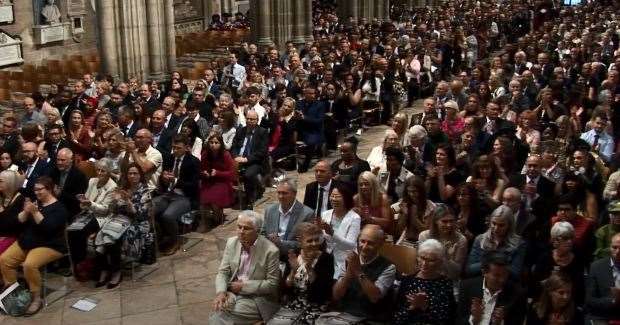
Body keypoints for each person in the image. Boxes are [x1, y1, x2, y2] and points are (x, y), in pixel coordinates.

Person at [0, 176, 68, 315]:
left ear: (49, 189)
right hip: (29, 241)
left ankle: (36, 298)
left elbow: (48, 228)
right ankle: (16, 294)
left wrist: (35, 212)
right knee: (4, 260)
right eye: (34, 189)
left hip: (50, 244)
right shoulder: (36, 203)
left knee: (29, 265)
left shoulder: (59, 208)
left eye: (39, 190)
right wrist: (26, 211)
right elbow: (18, 221)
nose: (36, 192)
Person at [210, 211, 280, 325]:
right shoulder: (232, 243)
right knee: (219, 307)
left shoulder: (271, 251)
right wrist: (221, 292)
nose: (241, 232)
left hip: (257, 298)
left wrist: (244, 286)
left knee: (221, 314)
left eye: (246, 228)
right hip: (233, 292)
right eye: (239, 227)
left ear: (257, 230)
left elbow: (272, 284)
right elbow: (223, 272)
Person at [317, 224, 395, 324]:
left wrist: (358, 271)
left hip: (369, 318)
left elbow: (374, 297)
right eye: (362, 241)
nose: (365, 246)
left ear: (380, 244)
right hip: (343, 314)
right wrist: (348, 275)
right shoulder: (350, 259)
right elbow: (336, 295)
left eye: (370, 243)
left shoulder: (389, 267)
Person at [267, 222, 335, 325]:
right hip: (294, 302)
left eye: (316, 240)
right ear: (300, 241)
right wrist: (293, 271)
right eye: (309, 241)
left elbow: (322, 293)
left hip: (316, 304)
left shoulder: (326, 258)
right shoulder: (293, 255)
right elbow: (286, 288)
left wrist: (309, 268)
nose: (314, 243)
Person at [152, 135, 200, 256]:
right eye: (173, 147)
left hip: (185, 196)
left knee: (168, 216)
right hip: (168, 193)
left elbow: (194, 185)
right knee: (150, 209)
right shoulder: (169, 158)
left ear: (187, 148)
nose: (175, 150)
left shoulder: (193, 162)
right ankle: (159, 237)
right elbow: (164, 177)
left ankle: (175, 241)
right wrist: (164, 178)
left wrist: (176, 180)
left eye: (178, 148)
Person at [68, 158, 118, 271]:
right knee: (71, 230)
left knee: (80, 231)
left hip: (102, 217)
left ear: (109, 172)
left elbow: (105, 209)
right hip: (88, 213)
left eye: (103, 171)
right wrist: (83, 202)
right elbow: (87, 198)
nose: (99, 173)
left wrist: (90, 203)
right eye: (98, 170)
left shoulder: (112, 187)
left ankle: (83, 262)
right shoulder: (92, 181)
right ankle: (77, 262)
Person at [393, 239, 456, 324]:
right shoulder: (407, 281)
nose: (424, 263)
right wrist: (412, 307)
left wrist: (425, 307)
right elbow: (397, 318)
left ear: (440, 262)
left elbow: (446, 319)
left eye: (431, 260)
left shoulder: (445, 283)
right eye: (422, 258)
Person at [457, 253, 527, 325]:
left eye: (505, 274)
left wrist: (499, 323)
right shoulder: (466, 286)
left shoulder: (517, 294)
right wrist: (473, 319)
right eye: (497, 275)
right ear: (484, 272)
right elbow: (458, 321)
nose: (502, 280)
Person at [466, 205, 527, 277]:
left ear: (509, 225)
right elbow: (470, 269)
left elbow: (515, 272)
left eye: (501, 225)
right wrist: (490, 262)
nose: (496, 228)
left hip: (505, 284)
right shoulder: (480, 239)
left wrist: (489, 263)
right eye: (494, 223)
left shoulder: (519, 243)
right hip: (480, 281)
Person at [262, 177, 314, 257]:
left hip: (292, 257)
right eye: (279, 193)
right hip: (270, 255)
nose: (281, 196)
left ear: (294, 194)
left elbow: (304, 243)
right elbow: (263, 233)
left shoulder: (307, 214)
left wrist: (281, 243)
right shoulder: (270, 210)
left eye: (284, 193)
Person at [317, 183, 360, 279]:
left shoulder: (354, 218)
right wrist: (318, 232)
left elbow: (350, 245)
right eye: (332, 196)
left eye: (337, 196)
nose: (334, 199)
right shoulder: (325, 214)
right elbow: (321, 241)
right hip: (326, 258)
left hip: (344, 260)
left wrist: (332, 233)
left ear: (346, 198)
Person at [230, 110, 269, 209]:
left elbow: (262, 152)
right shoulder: (240, 131)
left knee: (248, 174)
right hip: (238, 159)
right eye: (247, 118)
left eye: (252, 119)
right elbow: (233, 146)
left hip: (255, 162)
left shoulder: (262, 132)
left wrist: (247, 159)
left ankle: (249, 199)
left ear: (257, 120)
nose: (249, 121)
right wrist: (236, 157)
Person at [419, 203, 468, 280]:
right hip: (427, 276)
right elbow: (420, 264)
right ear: (436, 221)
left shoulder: (461, 239)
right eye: (444, 221)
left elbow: (456, 273)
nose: (449, 225)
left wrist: (446, 256)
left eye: (451, 221)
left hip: (448, 280)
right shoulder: (424, 236)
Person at [200, 133, 235, 228]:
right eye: (211, 142)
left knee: (214, 200)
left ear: (221, 144)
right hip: (209, 181)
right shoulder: (205, 154)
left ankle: (217, 219)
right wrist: (204, 173)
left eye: (216, 142)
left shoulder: (226, 155)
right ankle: (213, 217)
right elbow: (201, 169)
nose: (213, 145)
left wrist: (218, 173)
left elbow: (231, 173)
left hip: (223, 182)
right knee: (204, 199)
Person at [585, 232, 620, 322]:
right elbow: (590, 300)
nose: (618, 251)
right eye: (614, 247)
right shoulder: (596, 267)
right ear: (610, 248)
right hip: (603, 316)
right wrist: (612, 301)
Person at [395, 175, 436, 246]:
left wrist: (414, 216)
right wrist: (405, 214)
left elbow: (426, 231)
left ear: (421, 191)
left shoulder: (430, 206)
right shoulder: (405, 203)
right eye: (409, 191)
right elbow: (398, 230)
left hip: (423, 242)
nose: (411, 194)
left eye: (414, 191)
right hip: (405, 240)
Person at [48, 148, 88, 219]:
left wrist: (61, 193)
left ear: (71, 160)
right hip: (53, 205)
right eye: (58, 159)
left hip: (69, 209)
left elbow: (78, 199)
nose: (59, 162)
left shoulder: (79, 176)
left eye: (63, 160)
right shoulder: (53, 171)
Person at [0, 171, 26, 255]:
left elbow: (13, 224)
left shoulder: (20, 199)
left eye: (0, 181)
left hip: (13, 237)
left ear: (9, 182)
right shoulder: (2, 197)